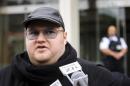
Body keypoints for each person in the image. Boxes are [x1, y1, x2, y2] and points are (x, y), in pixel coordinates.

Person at [0, 7, 129, 86]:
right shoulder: (5, 77)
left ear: (65, 37)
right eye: (33, 33)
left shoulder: (90, 75)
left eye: (50, 32)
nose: (40, 39)